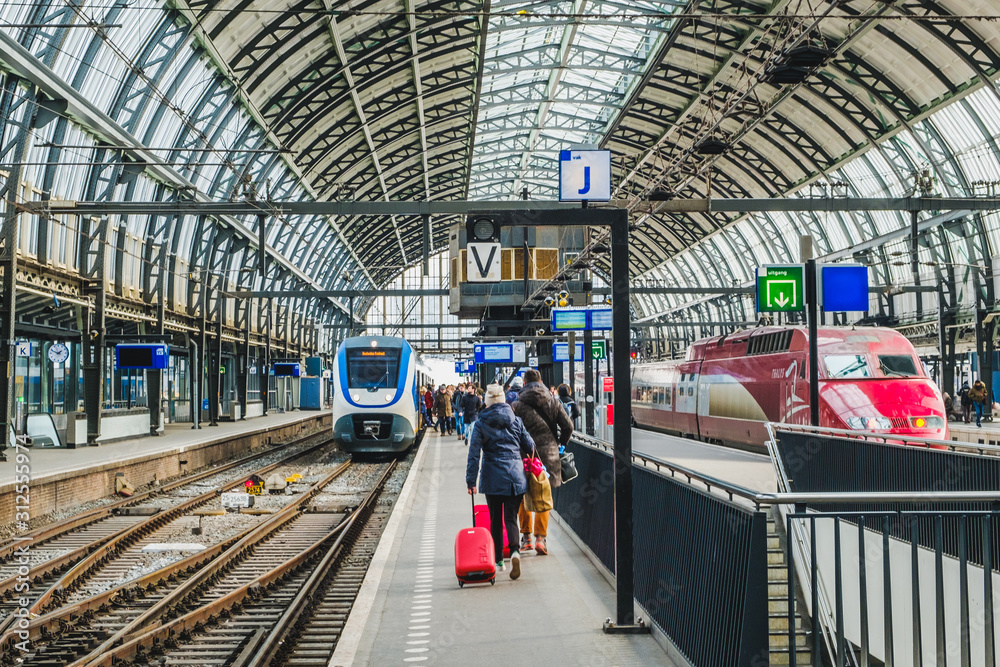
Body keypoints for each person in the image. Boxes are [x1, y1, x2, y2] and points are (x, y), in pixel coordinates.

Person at [467, 384, 536, 580]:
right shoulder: (516, 421)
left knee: (495, 520)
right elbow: (530, 445)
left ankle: (498, 561)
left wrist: (470, 481)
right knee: (511, 517)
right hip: (516, 476)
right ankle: (514, 551)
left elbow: (473, 455)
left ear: (487, 402)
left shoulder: (481, 423)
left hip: (492, 475)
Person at [513, 369, 573, 555]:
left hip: (524, 455)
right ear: (541, 383)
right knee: (544, 495)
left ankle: (526, 538)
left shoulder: (516, 405)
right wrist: (561, 444)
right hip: (549, 455)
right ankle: (541, 538)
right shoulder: (554, 401)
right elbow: (568, 427)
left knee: (523, 496)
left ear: (524, 384)